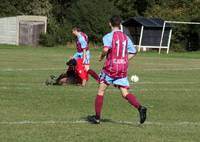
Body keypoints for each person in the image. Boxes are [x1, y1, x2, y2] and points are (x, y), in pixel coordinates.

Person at [87, 15, 147, 124]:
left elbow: (105, 49)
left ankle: (97, 117)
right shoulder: (125, 37)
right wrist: (124, 59)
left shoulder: (108, 36)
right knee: (125, 93)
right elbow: (133, 51)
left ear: (110, 23)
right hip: (122, 69)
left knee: (101, 91)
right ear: (120, 24)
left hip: (111, 68)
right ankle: (140, 107)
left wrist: (101, 56)